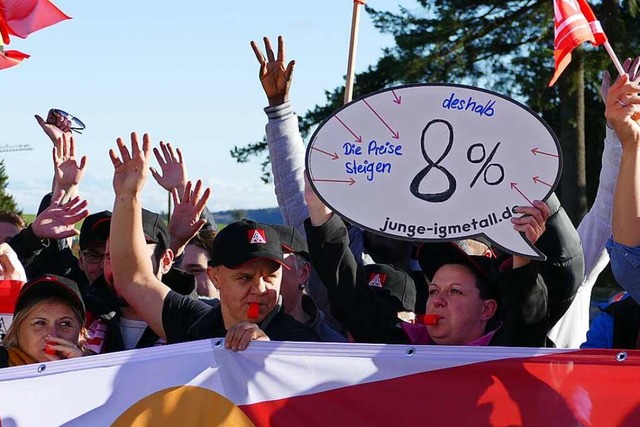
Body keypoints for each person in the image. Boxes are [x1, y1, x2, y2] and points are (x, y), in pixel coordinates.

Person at [108, 133, 318, 352]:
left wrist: (268, 353)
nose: (260, 289)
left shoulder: (299, 342)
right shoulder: (195, 324)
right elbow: (134, 280)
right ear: (214, 276)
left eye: (270, 277)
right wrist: (127, 195)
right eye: (245, 277)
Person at [549, 57, 640, 348]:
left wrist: (622, 137)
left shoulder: (562, 272)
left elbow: (608, 220)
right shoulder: (615, 322)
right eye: (439, 290)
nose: (439, 299)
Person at [581, 66, 640, 349]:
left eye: (456, 290)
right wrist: (628, 142)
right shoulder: (615, 324)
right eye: (433, 289)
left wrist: (628, 142)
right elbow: (629, 263)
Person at [271, 224, 346, 342]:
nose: (263, 277)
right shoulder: (239, 335)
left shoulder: (331, 345)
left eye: (275, 264)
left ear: (303, 273)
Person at [1, 274, 91, 367]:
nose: (52, 335)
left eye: (65, 324)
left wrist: (80, 371)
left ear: (82, 335)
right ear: (17, 330)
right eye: (40, 323)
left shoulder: (101, 373)